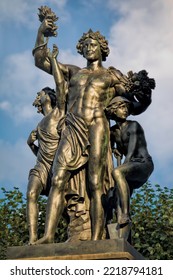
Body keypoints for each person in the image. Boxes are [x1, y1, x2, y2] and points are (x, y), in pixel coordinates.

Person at [32, 15, 155, 243]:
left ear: (102, 48)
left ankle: (98, 237)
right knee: (58, 177)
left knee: (95, 183)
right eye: (85, 45)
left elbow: (134, 107)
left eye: (93, 44)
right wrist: (42, 32)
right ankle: (48, 235)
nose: (89, 48)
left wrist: (146, 96)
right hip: (72, 127)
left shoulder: (111, 76)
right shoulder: (73, 72)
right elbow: (41, 61)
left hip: (97, 127)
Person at [27, 44, 66, 244]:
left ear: (47, 96)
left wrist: (54, 63)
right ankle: (32, 239)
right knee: (31, 193)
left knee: (64, 207)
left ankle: (50, 236)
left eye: (40, 93)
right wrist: (31, 145)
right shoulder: (39, 124)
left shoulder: (58, 113)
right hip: (41, 166)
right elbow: (41, 152)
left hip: (57, 166)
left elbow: (60, 86)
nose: (38, 96)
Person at [106, 96, 154, 227]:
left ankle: (125, 215)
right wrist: (116, 149)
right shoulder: (112, 132)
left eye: (126, 107)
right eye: (121, 107)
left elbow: (131, 151)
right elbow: (109, 149)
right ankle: (121, 226)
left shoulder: (133, 126)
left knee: (117, 172)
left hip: (143, 164)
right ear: (113, 111)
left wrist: (120, 169)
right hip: (131, 168)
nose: (125, 110)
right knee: (115, 196)